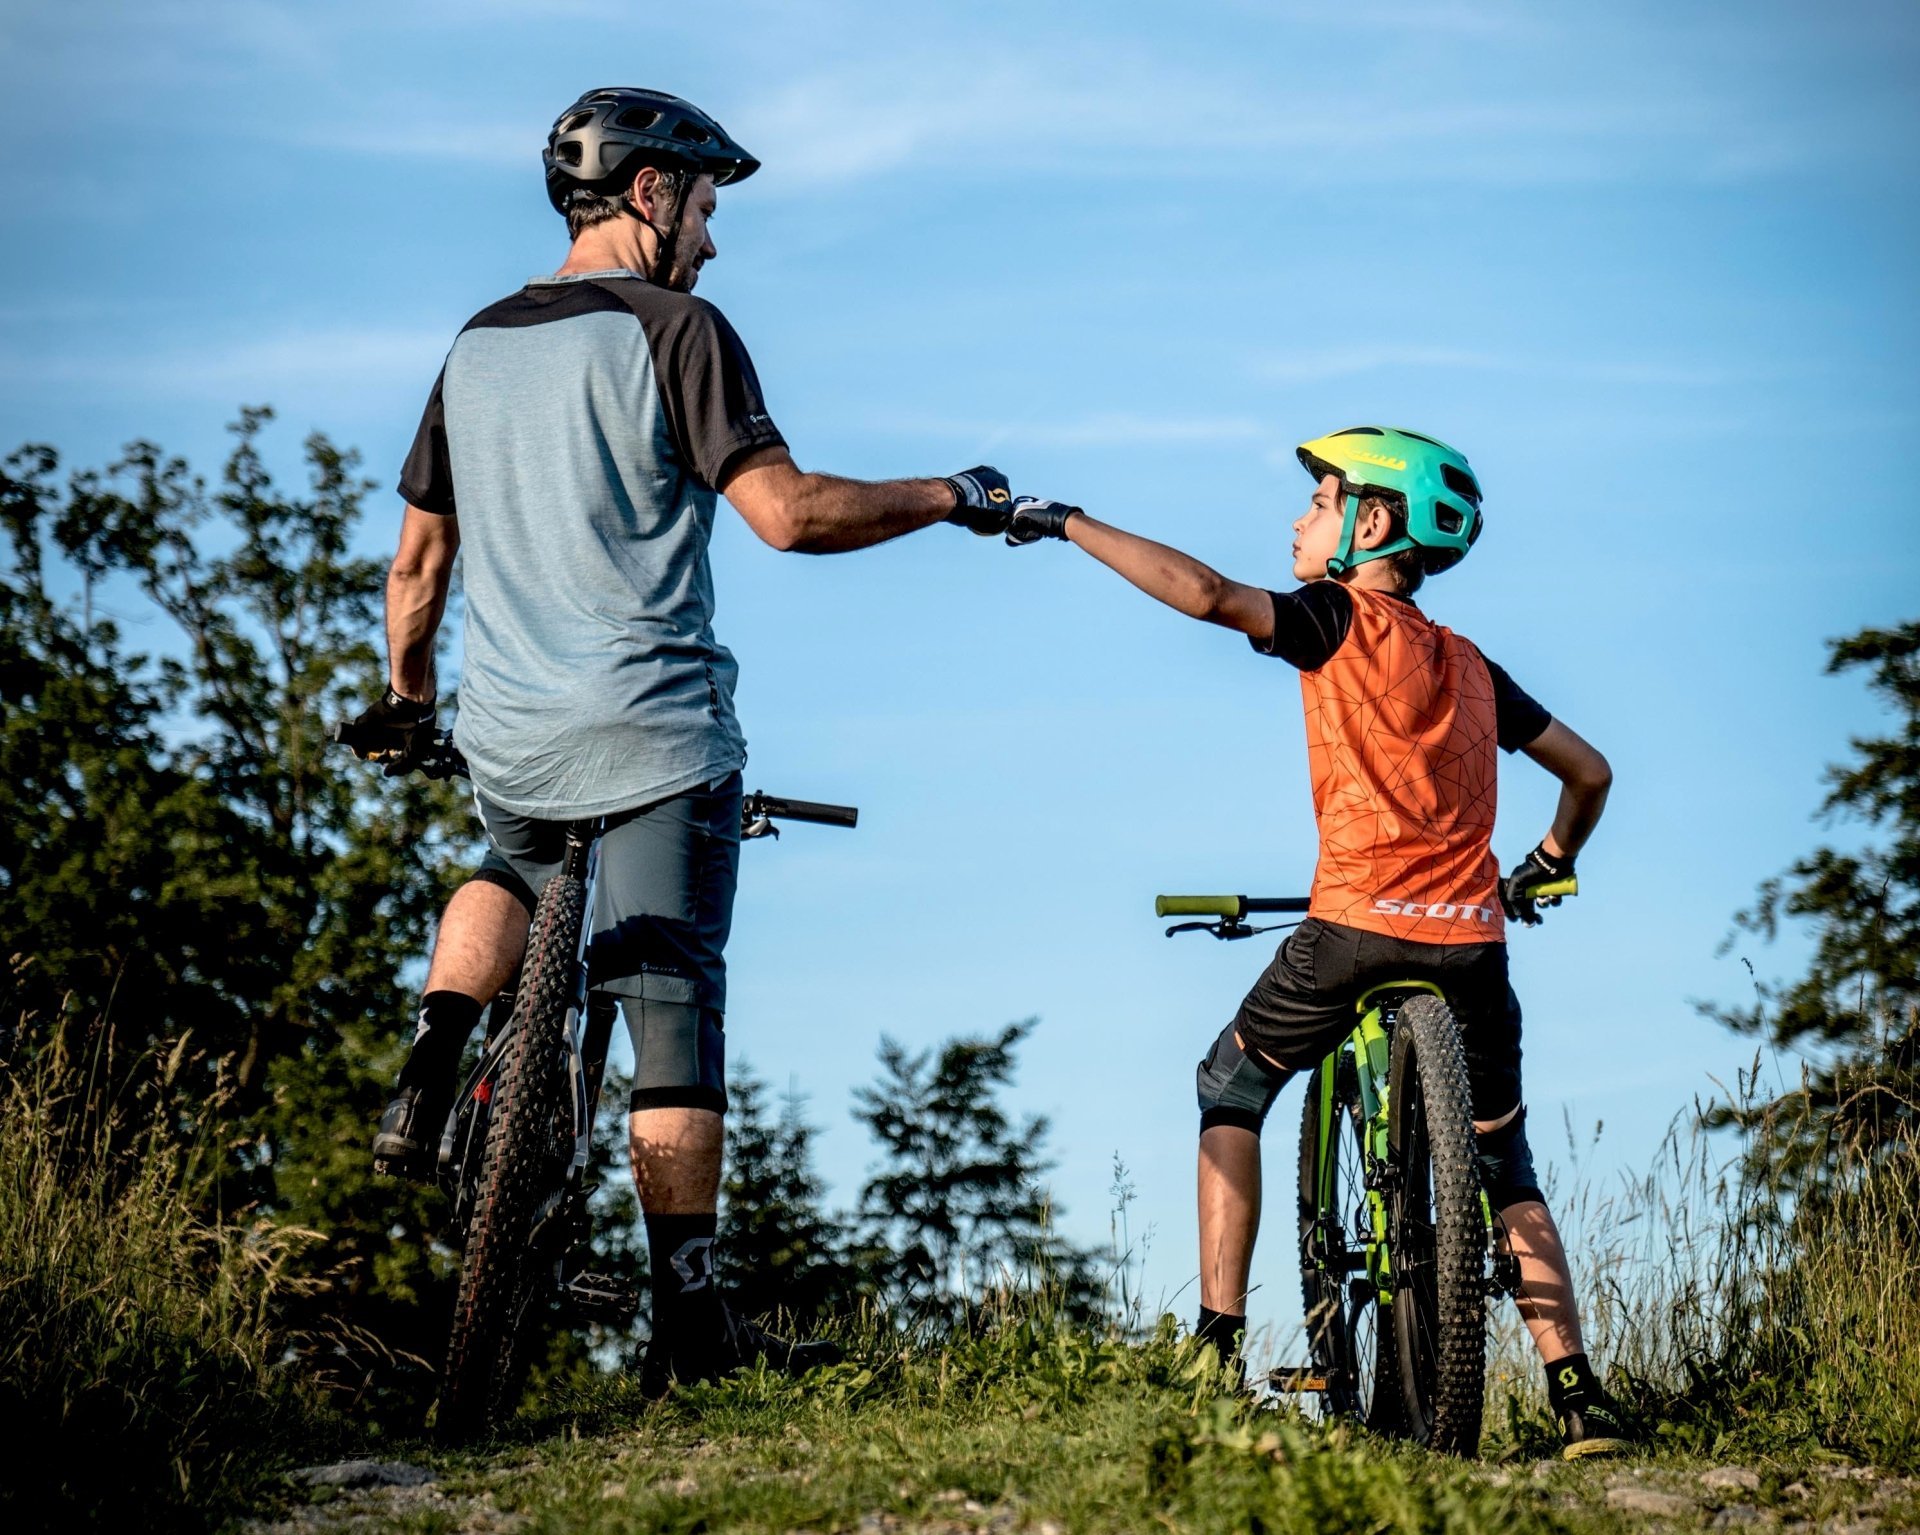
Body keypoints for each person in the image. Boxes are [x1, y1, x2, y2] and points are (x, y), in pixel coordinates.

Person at [345, 87, 1024, 1394]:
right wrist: (950, 496)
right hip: (654, 726)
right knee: (668, 998)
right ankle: (690, 1312)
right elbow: (788, 514)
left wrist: (413, 698)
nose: (712, 241)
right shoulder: (682, 330)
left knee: (510, 860)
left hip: (512, 727)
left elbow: (419, 562)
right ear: (653, 193)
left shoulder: (473, 345)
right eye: (707, 209)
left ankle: (437, 1043)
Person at [1004, 427, 1633, 1458]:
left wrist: (1067, 522)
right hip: (1473, 945)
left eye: (1321, 499)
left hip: (1350, 929)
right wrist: (1544, 862)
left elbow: (1206, 594)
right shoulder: (1474, 667)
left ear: (1371, 524)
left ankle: (1215, 1347)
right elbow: (1592, 771)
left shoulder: (1335, 619)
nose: (1300, 519)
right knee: (1503, 1159)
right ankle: (1577, 1395)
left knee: (1229, 1086)